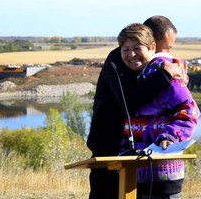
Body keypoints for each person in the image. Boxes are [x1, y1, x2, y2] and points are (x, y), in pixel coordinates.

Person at [86, 16, 183, 199]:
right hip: (109, 148)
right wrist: (164, 75)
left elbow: (183, 109)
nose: (167, 53)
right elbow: (129, 101)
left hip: (142, 154)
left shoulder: (152, 66)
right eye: (167, 47)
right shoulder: (117, 61)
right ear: (149, 40)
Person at [118, 23, 200, 199]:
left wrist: (171, 136)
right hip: (133, 175)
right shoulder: (131, 77)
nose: (131, 54)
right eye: (126, 49)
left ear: (152, 47)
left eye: (137, 48)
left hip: (162, 173)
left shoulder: (166, 75)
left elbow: (189, 110)